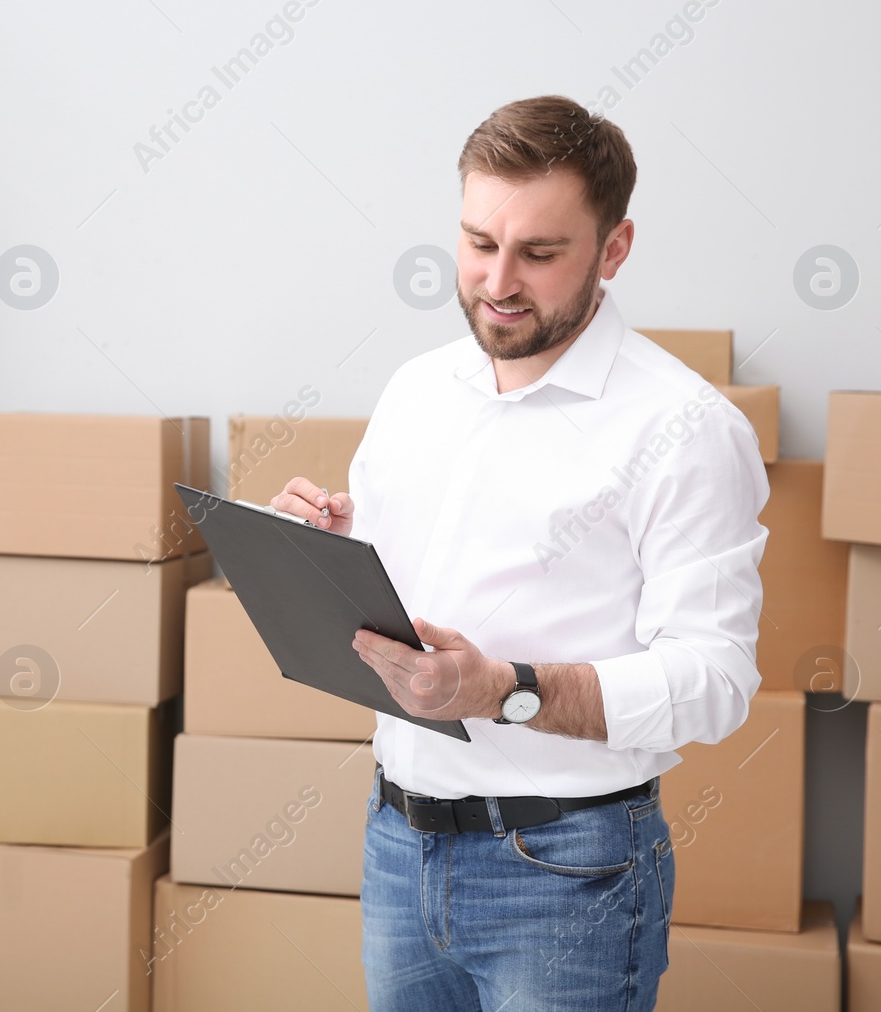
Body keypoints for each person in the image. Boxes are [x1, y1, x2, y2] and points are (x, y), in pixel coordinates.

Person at [271, 94, 768, 1011]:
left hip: (568, 870)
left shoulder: (686, 428)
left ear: (613, 250)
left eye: (540, 253)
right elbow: (406, 597)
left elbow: (717, 681)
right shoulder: (417, 389)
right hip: (397, 840)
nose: (498, 281)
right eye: (477, 243)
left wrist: (505, 689)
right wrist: (323, 553)